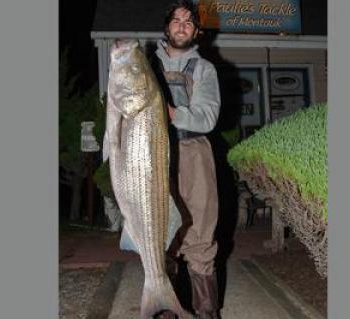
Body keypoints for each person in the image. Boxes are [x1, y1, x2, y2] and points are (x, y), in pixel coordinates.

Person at [151, 1, 221, 318]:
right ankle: (166, 309)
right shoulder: (145, 65)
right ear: (167, 27)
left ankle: (206, 311)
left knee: (201, 234)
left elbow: (207, 118)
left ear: (196, 32)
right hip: (153, 154)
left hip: (195, 154)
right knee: (160, 235)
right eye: (176, 19)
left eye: (189, 21)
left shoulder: (204, 69)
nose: (182, 25)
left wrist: (170, 113)